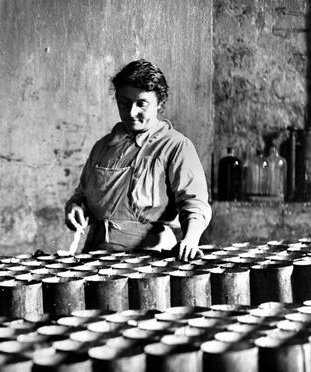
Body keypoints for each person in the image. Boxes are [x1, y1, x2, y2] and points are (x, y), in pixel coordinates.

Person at [64, 59, 211, 262]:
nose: (131, 112)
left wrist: (191, 239)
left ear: (159, 103)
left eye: (141, 104)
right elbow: (82, 196)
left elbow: (194, 204)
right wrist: (75, 209)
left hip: (150, 261)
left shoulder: (176, 146)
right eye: (124, 103)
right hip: (96, 257)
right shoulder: (103, 147)